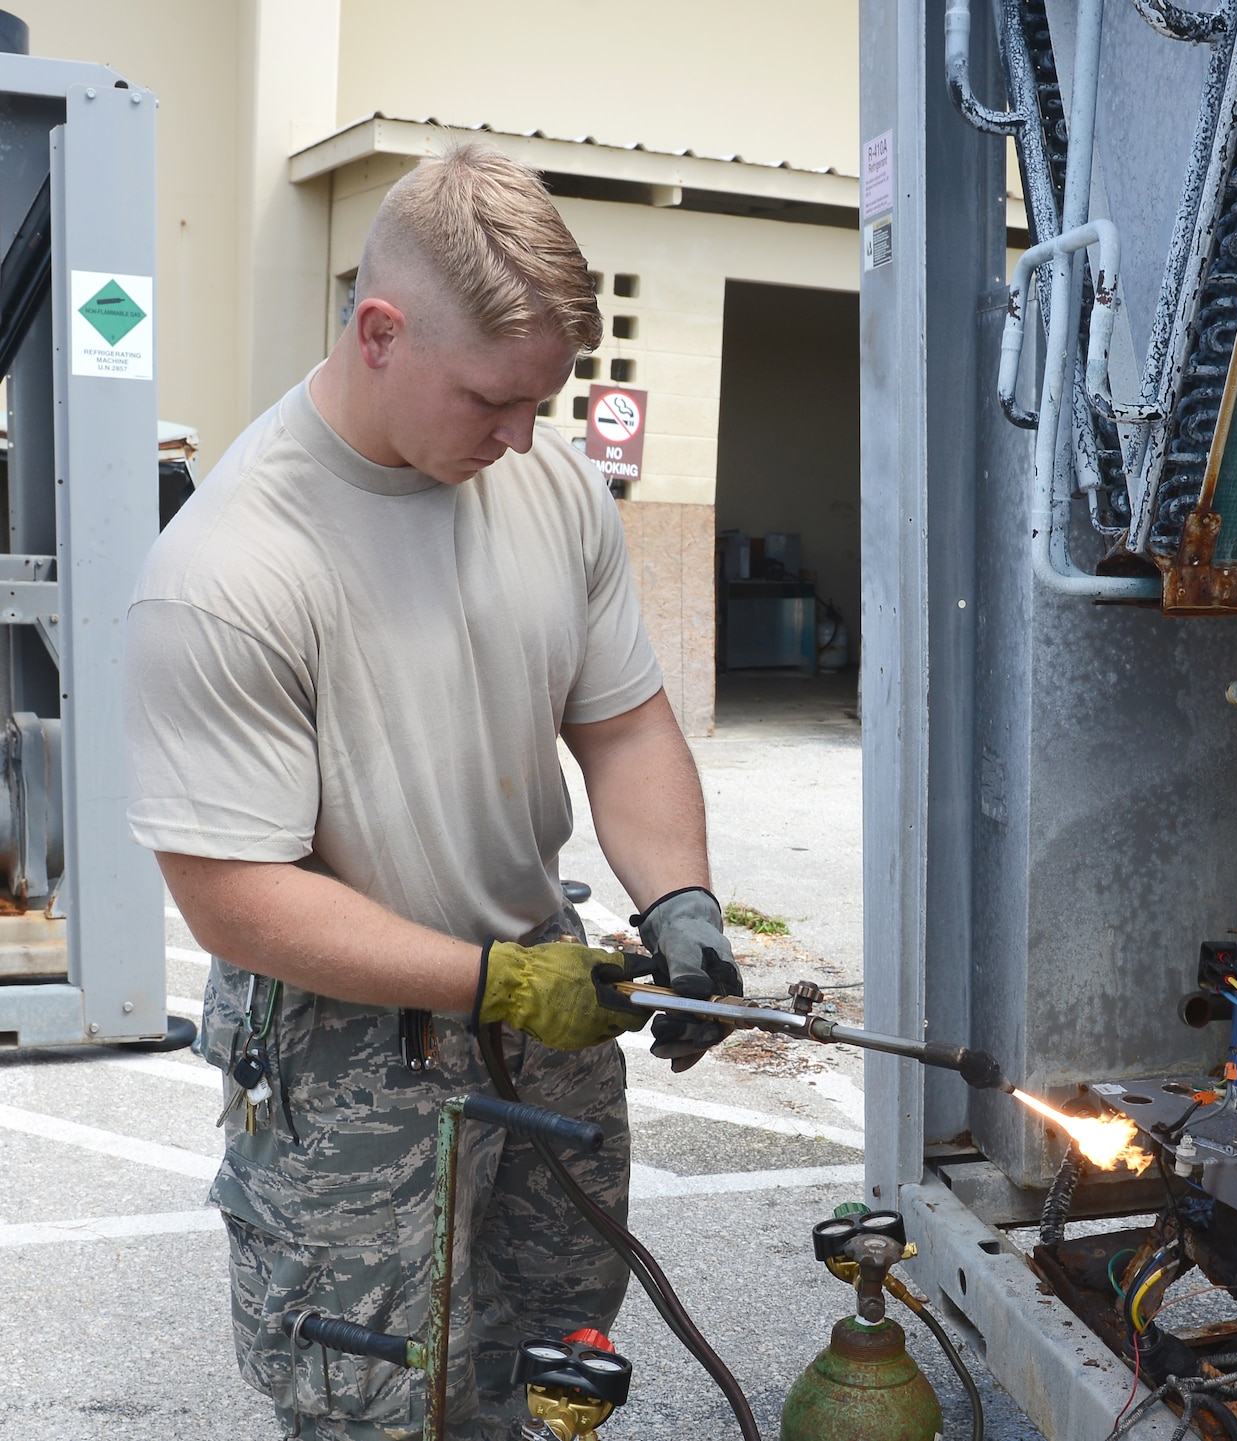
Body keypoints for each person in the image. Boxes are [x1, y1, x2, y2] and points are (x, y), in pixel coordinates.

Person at [122, 143, 739, 1440]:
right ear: (379, 331)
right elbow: (235, 899)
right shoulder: (230, 567)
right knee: (384, 1396)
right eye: (490, 399)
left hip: (542, 1003)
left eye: (540, 401)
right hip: (353, 1044)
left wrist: (681, 898)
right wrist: (492, 981)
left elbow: (623, 725)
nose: (522, 436)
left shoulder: (549, 487)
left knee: (554, 1355)